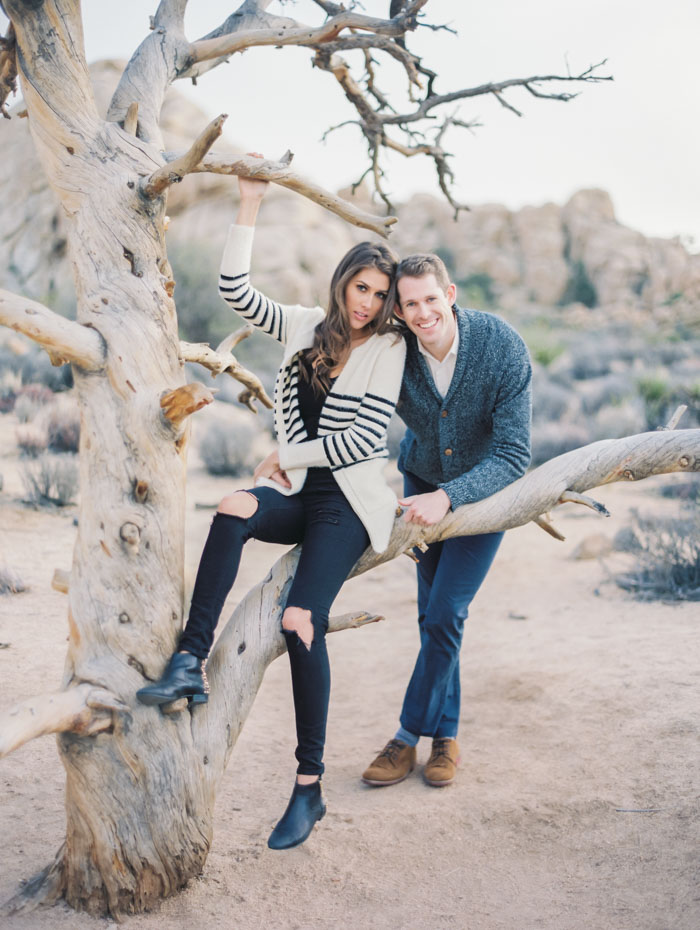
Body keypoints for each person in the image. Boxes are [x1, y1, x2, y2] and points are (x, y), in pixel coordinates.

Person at [137, 168, 406, 850]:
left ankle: (309, 786)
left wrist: (291, 454)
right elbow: (234, 291)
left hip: (348, 503)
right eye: (362, 287)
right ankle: (188, 664)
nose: (369, 303)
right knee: (230, 504)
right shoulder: (302, 326)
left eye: (381, 294)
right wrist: (250, 202)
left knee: (298, 621)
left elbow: (357, 441)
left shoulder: (390, 349)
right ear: (344, 282)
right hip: (297, 492)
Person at [361, 251, 532, 789]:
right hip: (419, 485)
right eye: (409, 304)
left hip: (485, 495)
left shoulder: (501, 345)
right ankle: (447, 739)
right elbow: (348, 404)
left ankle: (407, 737)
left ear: (450, 294)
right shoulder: (395, 351)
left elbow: (512, 453)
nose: (422, 312)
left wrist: (450, 497)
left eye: (430, 299)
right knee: (431, 615)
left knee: (447, 611)